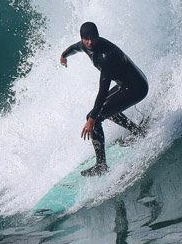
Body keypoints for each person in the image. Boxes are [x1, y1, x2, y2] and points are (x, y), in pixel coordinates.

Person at [60, 22, 148, 176]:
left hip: (136, 89)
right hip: (127, 84)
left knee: (95, 116)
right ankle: (137, 131)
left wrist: (91, 119)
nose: (90, 42)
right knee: (106, 110)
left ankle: (101, 165)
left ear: (98, 36)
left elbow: (103, 91)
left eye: (93, 38)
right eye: (86, 39)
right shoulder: (84, 46)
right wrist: (63, 56)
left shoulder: (106, 57)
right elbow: (74, 47)